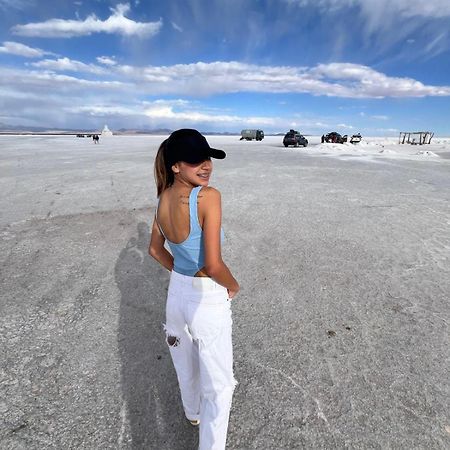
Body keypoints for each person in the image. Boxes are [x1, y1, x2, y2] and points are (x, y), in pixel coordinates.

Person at [149, 129, 240, 450]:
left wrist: (182, 275)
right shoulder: (208, 196)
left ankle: (192, 413)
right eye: (194, 160)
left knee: (185, 364)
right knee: (219, 386)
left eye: (208, 158)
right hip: (207, 298)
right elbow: (214, 265)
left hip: (177, 297)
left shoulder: (162, 197)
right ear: (175, 166)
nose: (206, 166)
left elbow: (155, 250)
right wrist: (233, 285)